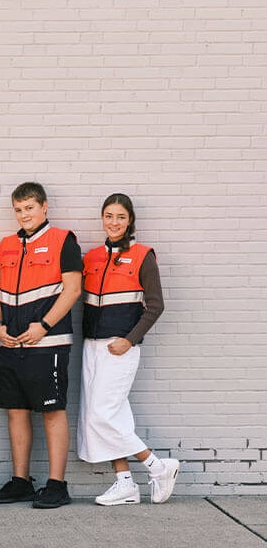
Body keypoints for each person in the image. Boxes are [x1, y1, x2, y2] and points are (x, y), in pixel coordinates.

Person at [78, 193, 179, 505]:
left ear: (130, 220)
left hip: (120, 348)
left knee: (101, 415)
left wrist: (130, 339)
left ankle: (157, 466)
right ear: (102, 218)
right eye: (109, 216)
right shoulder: (92, 256)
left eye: (120, 217)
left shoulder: (143, 255)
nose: (114, 222)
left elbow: (156, 306)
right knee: (111, 416)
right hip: (91, 347)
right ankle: (125, 483)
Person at [0, 182, 82, 509]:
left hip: (49, 343)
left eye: (29, 208)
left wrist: (43, 327)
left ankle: (57, 485)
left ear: (44, 207)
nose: (24, 214)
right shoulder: (6, 245)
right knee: (16, 411)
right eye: (18, 210)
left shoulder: (63, 240)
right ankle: (21, 482)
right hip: (11, 345)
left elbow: (72, 290)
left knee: (52, 410)